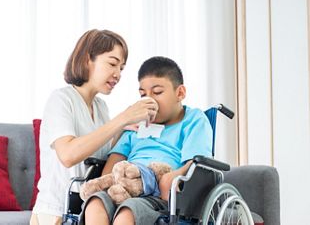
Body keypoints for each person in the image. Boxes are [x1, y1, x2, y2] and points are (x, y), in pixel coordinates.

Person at [30, 29, 159, 225]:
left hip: (84, 209)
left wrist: (125, 127)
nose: (117, 74)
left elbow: (100, 155)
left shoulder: (100, 107)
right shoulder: (61, 99)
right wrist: (121, 119)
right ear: (87, 60)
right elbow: (68, 155)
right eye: (112, 63)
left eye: (122, 68)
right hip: (56, 212)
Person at [80, 56, 213, 225]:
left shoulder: (193, 120)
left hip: (157, 197)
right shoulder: (136, 125)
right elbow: (111, 166)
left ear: (180, 93)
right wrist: (112, 181)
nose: (149, 100)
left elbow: (196, 164)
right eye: (143, 94)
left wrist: (169, 179)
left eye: (157, 92)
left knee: (127, 212)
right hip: (121, 188)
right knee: (95, 203)